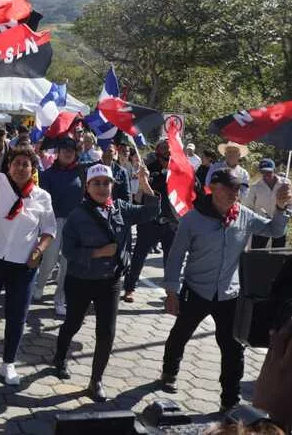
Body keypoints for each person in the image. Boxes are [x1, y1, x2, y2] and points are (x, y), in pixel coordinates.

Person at [161, 168, 291, 411]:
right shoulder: (193, 219)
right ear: (215, 188)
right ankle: (169, 372)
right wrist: (171, 291)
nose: (236, 193)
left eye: (239, 188)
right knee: (180, 334)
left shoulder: (244, 216)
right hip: (196, 290)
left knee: (233, 348)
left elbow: (275, 231)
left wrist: (281, 208)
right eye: (231, 187)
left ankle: (229, 400)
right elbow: (176, 255)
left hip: (230, 295)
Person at [53, 163, 158, 402]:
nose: (102, 187)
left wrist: (144, 184)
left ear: (112, 185)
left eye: (106, 183)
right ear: (87, 187)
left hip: (110, 282)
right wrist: (98, 252)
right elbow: (68, 251)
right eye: (96, 183)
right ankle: (60, 357)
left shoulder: (121, 208)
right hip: (80, 280)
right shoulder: (76, 216)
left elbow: (150, 213)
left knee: (106, 333)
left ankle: (96, 380)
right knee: (73, 323)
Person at [0, 145, 55, 385]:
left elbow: (49, 230)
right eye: (16, 163)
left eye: (25, 164)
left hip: (23, 265)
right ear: (8, 166)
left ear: (33, 169)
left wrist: (38, 250)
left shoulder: (42, 197)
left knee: (17, 315)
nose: (20, 168)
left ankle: (8, 364)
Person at [123, 139, 177, 303]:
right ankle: (130, 288)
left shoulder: (178, 170)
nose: (168, 152)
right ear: (158, 151)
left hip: (171, 221)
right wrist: (145, 178)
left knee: (171, 259)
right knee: (139, 255)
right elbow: (145, 192)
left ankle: (171, 294)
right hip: (149, 221)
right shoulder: (148, 169)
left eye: (170, 150)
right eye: (165, 149)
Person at [36, 138, 82, 316]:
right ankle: (39, 285)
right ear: (58, 152)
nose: (68, 153)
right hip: (53, 222)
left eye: (71, 150)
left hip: (75, 223)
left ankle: (60, 298)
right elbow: (43, 202)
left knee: (67, 263)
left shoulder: (81, 172)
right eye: (64, 149)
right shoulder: (47, 174)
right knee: (50, 259)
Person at [245, 159, 289, 250]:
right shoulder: (255, 187)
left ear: (274, 170)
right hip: (261, 224)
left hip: (280, 222)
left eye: (269, 172)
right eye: (263, 172)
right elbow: (249, 206)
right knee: (257, 252)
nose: (266, 175)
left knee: (279, 253)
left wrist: (287, 214)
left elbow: (290, 202)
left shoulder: (285, 184)